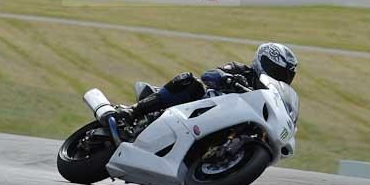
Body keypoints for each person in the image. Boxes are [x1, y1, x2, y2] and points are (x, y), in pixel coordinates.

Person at [122, 43, 298, 122]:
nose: (280, 77)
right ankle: (134, 111)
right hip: (200, 107)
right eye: (277, 71)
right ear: (263, 61)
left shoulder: (272, 95)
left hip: (226, 121)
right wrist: (227, 78)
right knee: (190, 82)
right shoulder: (242, 70)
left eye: (285, 75)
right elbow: (209, 74)